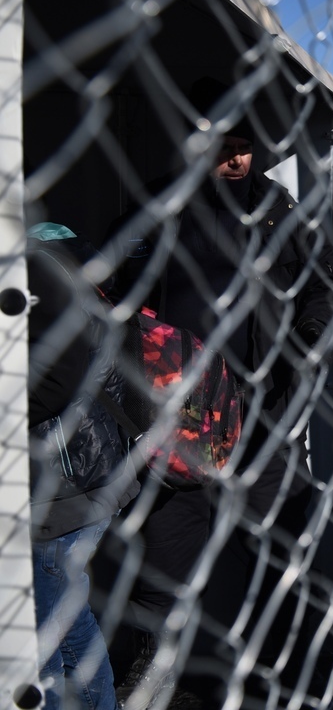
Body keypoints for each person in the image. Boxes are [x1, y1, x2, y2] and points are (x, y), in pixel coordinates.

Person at [101, 79, 333, 707]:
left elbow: (326, 289)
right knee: (169, 556)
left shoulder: (280, 210)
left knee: (268, 549)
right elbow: (116, 295)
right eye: (222, 145)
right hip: (176, 419)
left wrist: (310, 337)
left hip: (263, 415)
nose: (234, 159)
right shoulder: (163, 209)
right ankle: (168, 678)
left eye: (244, 146)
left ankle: (273, 676)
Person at [27, 224, 141, 710]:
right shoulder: (85, 282)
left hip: (68, 485)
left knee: (43, 629)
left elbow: (60, 383)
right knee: (67, 615)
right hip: (98, 472)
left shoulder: (40, 283)